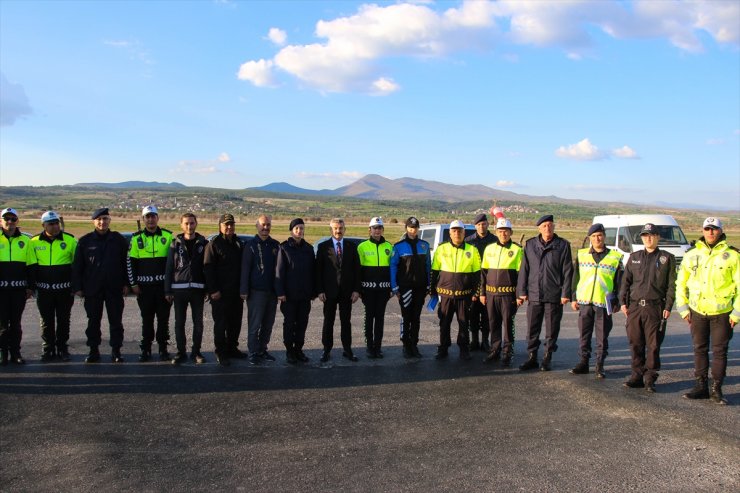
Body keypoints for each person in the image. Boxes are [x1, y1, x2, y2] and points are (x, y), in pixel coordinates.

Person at [676, 217, 739, 404]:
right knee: (699, 349)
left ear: (721, 231)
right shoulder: (692, 254)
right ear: (702, 231)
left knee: (720, 352)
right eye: (707, 229)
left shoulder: (733, 256)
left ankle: (716, 389)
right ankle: (701, 386)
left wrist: (737, 313)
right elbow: (681, 283)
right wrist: (683, 308)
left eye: (714, 229)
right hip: (697, 311)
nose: (710, 232)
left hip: (722, 313)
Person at [619, 223, 676, 393]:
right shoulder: (634, 256)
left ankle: (650, 377)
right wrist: (623, 301)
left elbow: (672, 285)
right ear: (642, 238)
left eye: (651, 235)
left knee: (653, 345)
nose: (648, 238)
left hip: (655, 307)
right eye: (645, 235)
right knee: (635, 342)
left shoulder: (666, 258)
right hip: (635, 307)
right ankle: (637, 376)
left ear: (657, 237)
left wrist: (668, 306)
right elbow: (626, 281)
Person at [72, 208, 129, 363]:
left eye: (105, 219)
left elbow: (126, 263)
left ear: (109, 221)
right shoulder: (85, 241)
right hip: (92, 289)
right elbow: (78, 266)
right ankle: (93, 350)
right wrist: (78, 287)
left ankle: (116, 351)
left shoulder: (118, 240)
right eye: (99, 219)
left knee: (116, 321)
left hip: (114, 288)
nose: (102, 222)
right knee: (93, 322)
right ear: (94, 221)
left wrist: (126, 283)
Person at [517, 215, 573, 371]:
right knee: (532, 328)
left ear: (554, 227)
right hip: (534, 293)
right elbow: (524, 269)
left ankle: (547, 357)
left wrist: (566, 293)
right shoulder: (530, 245)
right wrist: (522, 291)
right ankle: (532, 357)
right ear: (539, 228)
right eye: (544, 226)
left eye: (550, 225)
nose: (547, 228)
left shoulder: (562, 245)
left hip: (554, 294)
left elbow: (568, 271)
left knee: (551, 329)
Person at [569, 223, 623, 379]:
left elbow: (620, 282)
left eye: (599, 235)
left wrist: (618, 302)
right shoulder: (582, 255)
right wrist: (574, 297)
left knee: (602, 336)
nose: (597, 238)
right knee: (584, 335)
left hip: (603, 304)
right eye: (593, 236)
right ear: (589, 238)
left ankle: (600, 365)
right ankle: (583, 363)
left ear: (604, 236)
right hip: (585, 302)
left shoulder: (615, 257)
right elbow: (575, 278)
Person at [127, 205, 174, 362]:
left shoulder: (168, 236)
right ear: (143, 219)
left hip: (162, 288)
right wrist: (133, 284)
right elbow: (130, 263)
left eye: (153, 216)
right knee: (146, 320)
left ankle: (163, 348)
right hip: (144, 289)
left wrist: (170, 286)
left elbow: (173, 263)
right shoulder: (136, 238)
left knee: (163, 320)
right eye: (147, 216)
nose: (151, 219)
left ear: (158, 218)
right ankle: (146, 349)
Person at [30, 211, 77, 362]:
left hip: (64, 290)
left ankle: (62, 348)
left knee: (64, 320)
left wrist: (75, 286)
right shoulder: (34, 242)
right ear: (43, 225)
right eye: (51, 224)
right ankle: (48, 348)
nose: (55, 226)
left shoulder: (70, 240)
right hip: (44, 291)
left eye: (57, 223)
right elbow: (31, 266)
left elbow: (77, 266)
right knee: (46, 321)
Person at [431, 220, 481, 360]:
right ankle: (443, 348)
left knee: (464, 323)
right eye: (454, 231)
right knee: (444, 322)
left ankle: (464, 349)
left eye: (460, 231)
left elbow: (478, 275)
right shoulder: (442, 249)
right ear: (450, 233)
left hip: (464, 296)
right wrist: (432, 291)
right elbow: (434, 271)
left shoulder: (472, 250)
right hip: (446, 295)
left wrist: (475, 293)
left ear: (464, 233)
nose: (457, 233)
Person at [164, 212, 209, 365]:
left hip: (198, 290)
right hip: (179, 290)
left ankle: (196, 352)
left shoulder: (204, 243)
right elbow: (169, 268)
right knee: (179, 323)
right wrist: (168, 290)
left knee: (198, 323)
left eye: (192, 223)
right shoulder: (174, 243)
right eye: (186, 223)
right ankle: (181, 352)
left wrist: (208, 288)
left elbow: (207, 268)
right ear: (181, 225)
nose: (189, 226)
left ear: (196, 224)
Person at [316, 218, 361, 363]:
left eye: (341, 228)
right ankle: (326, 350)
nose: (338, 231)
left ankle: (347, 349)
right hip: (329, 292)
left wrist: (356, 290)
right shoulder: (323, 247)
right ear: (331, 230)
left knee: (346, 322)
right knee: (328, 322)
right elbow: (318, 270)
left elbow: (357, 270)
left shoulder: (351, 246)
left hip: (347, 292)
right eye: (335, 228)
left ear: (344, 229)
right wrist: (320, 290)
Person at [479, 218, 522, 366]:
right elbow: (483, 273)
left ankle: (507, 352)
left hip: (508, 295)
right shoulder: (489, 249)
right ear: (496, 232)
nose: (503, 233)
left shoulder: (517, 250)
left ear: (510, 232)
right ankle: (495, 350)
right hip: (491, 295)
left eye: (506, 231)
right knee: (493, 323)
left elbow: (520, 276)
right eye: (500, 231)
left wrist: (519, 295)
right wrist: (482, 293)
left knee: (508, 324)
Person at [203, 213, 244, 366]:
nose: (229, 227)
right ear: (220, 226)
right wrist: (213, 290)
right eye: (226, 224)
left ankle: (232, 348)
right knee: (221, 324)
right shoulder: (213, 244)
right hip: (220, 294)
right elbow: (208, 269)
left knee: (235, 323)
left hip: (236, 293)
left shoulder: (238, 243)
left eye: (231, 224)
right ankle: (221, 352)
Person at [240, 214, 280, 365]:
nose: (265, 227)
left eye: (268, 225)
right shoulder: (250, 245)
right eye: (263, 225)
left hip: (272, 292)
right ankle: (253, 352)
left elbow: (279, 270)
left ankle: (263, 350)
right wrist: (243, 290)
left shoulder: (276, 245)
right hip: (256, 292)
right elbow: (245, 269)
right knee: (254, 325)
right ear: (257, 226)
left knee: (268, 324)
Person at [275, 218, 315, 364]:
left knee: (302, 323)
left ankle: (299, 350)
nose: (299, 231)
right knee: (290, 323)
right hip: (289, 296)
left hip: (305, 295)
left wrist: (313, 292)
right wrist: (280, 292)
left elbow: (313, 272)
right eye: (297, 228)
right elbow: (279, 272)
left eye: (302, 228)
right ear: (291, 230)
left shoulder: (309, 249)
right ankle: (289, 351)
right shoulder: (284, 248)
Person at [390, 216, 431, 358]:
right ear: (406, 228)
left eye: (415, 228)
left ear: (418, 229)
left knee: (416, 317)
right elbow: (393, 267)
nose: (413, 230)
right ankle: (406, 345)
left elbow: (428, 267)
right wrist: (395, 288)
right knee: (406, 317)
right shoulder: (398, 246)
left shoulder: (424, 245)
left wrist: (429, 285)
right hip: (405, 288)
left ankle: (414, 345)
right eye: (410, 228)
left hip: (420, 288)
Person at [0, 208, 36, 365]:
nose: (9, 222)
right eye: (6, 218)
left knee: (15, 323)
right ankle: (3, 354)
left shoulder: (26, 241)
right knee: (2, 324)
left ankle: (16, 352)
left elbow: (32, 267)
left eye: (13, 219)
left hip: (18, 291)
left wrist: (30, 287)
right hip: (0, 291)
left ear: (17, 221)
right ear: (0, 221)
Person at [357, 216, 393, 359]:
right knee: (369, 318)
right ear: (369, 230)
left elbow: (393, 269)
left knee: (380, 319)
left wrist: (392, 288)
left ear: (382, 230)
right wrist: (359, 289)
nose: (377, 231)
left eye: (379, 228)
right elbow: (358, 271)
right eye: (374, 228)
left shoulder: (389, 247)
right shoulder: (362, 247)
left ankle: (378, 347)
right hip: (368, 291)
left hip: (383, 291)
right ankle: (369, 347)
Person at [466, 213, 498, 352]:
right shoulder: (468, 241)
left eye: (484, 224)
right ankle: (474, 340)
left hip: (490, 281)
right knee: (472, 314)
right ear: (475, 226)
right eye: (478, 224)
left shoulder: (495, 240)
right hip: (473, 282)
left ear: (488, 224)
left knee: (487, 314)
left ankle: (485, 341)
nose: (481, 226)